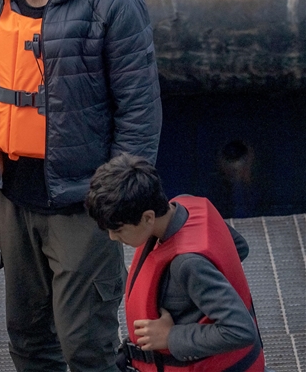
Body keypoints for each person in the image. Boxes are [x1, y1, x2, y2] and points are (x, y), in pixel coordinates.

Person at [0, 0, 163, 370]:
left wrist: (120, 200)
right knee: (28, 339)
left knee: (86, 345)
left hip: (82, 205)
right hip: (14, 196)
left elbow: (139, 109)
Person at [85, 154, 265, 372]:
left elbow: (241, 330)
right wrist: (193, 301)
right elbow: (239, 247)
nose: (113, 237)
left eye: (118, 229)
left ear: (148, 217)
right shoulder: (187, 203)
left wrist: (171, 336)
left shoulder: (187, 264)